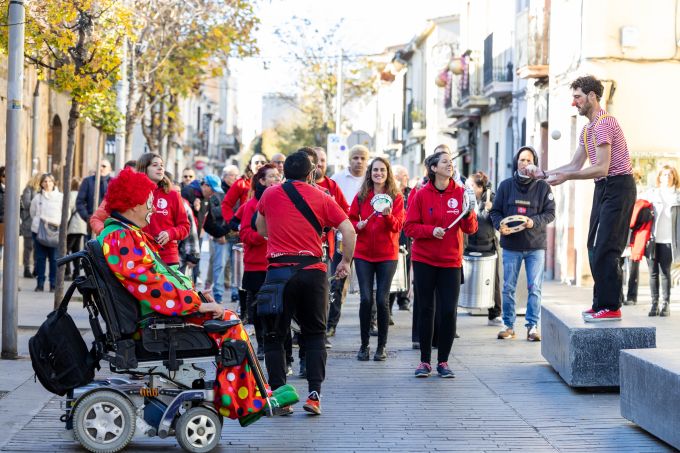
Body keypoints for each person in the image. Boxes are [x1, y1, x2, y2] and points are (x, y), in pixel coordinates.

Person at [97, 167, 270, 423]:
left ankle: (255, 395)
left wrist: (197, 297)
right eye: (148, 203)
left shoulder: (124, 233)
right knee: (230, 324)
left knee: (229, 318)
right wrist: (196, 305)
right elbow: (149, 284)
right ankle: (244, 402)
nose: (152, 209)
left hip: (160, 314)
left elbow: (156, 280)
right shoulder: (121, 237)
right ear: (131, 204)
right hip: (154, 322)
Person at [256, 150, 356, 415]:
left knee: (275, 336)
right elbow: (349, 230)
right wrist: (345, 262)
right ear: (311, 174)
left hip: (278, 272)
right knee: (315, 335)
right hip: (313, 272)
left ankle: (281, 397)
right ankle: (313, 396)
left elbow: (261, 229)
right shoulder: (322, 197)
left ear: (285, 172)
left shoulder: (269, 194)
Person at [536, 75, 635, 322]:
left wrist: (567, 177)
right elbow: (575, 163)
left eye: (578, 97)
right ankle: (600, 303)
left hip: (619, 186)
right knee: (592, 246)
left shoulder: (603, 123)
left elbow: (601, 167)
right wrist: (545, 173)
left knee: (607, 247)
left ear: (592, 96)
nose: (574, 103)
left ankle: (611, 306)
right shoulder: (587, 129)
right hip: (603, 188)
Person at [404, 151, 477, 378]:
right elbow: (409, 227)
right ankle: (425, 361)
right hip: (424, 260)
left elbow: (471, 229)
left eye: (451, 162)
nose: (450, 165)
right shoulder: (421, 194)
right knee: (426, 310)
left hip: (450, 262)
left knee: (448, 312)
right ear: (433, 168)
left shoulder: (461, 192)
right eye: (445, 162)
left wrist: (468, 213)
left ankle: (443, 362)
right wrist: (429, 231)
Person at [490, 146, 555, 341]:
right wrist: (500, 226)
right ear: (516, 162)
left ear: (534, 162)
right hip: (511, 246)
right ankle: (508, 326)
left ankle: (532, 327)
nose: (525, 164)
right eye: (521, 160)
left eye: (528, 160)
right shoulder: (505, 186)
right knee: (508, 286)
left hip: (536, 245)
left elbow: (550, 213)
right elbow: (495, 212)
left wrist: (533, 221)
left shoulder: (543, 187)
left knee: (534, 287)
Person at [349, 157, 405, 361]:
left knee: (382, 300)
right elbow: (351, 220)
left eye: (382, 170)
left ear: (388, 173)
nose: (378, 173)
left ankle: (381, 346)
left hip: (387, 255)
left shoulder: (395, 197)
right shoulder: (362, 196)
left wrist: (388, 216)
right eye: (375, 170)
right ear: (370, 173)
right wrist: (358, 226)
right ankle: (364, 345)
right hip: (363, 254)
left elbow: (399, 226)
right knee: (365, 298)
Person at [239, 164, 281, 358]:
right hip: (256, 263)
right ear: (262, 181)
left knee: (276, 306)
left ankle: (275, 340)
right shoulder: (251, 205)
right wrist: (263, 237)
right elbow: (245, 233)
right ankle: (262, 342)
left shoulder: (283, 201)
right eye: (272, 176)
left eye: (278, 176)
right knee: (257, 308)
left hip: (277, 261)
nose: (276, 179)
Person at [328, 145, 368, 337]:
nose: (358, 161)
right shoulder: (337, 179)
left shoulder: (371, 178)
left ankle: (372, 322)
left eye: (362, 158)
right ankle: (331, 323)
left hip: (367, 237)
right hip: (343, 236)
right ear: (349, 160)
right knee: (338, 281)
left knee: (369, 283)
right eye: (355, 158)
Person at [135, 153, 190, 265]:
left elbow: (185, 227)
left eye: (161, 165)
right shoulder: (133, 193)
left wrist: (170, 233)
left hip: (167, 257)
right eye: (155, 165)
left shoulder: (173, 195)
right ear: (144, 169)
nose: (160, 168)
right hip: (140, 255)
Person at [643, 165, 680, 316]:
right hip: (652, 239)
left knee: (665, 273)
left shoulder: (677, 196)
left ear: (674, 177)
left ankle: (665, 304)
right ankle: (654, 304)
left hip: (668, 241)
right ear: (659, 177)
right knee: (652, 273)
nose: (667, 177)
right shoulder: (652, 194)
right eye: (664, 174)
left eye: (670, 174)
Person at [466, 171, 502, 326]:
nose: (469, 188)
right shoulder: (467, 198)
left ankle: (494, 314)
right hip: (469, 244)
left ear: (480, 187)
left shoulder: (492, 198)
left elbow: (499, 222)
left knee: (493, 280)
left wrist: (492, 209)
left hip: (488, 245)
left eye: (472, 185)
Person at [30, 173, 63, 292]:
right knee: (40, 259)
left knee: (54, 259)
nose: (47, 183)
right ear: (41, 184)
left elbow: (66, 214)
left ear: (54, 183)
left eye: (50, 181)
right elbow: (32, 213)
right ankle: (40, 284)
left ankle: (53, 284)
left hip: (55, 232)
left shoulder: (60, 197)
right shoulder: (37, 198)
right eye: (45, 181)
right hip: (39, 232)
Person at [201, 174, 230, 304]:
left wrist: (220, 234)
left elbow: (219, 219)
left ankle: (217, 295)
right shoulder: (210, 197)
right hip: (218, 235)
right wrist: (219, 233)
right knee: (217, 263)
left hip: (220, 236)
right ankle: (217, 294)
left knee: (219, 264)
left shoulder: (214, 197)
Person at [389, 164, 412, 313]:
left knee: (406, 265)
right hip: (394, 233)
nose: (404, 179)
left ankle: (403, 299)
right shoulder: (391, 193)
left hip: (407, 233)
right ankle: (389, 305)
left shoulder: (411, 193)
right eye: (400, 176)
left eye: (405, 176)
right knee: (394, 269)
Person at [76, 158, 112, 225]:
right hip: (92, 222)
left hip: (110, 223)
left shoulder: (114, 182)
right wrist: (87, 217)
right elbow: (79, 202)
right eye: (99, 166)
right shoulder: (88, 181)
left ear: (110, 169)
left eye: (104, 166)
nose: (101, 168)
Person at [66, 177, 88, 280]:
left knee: (66, 249)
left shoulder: (71, 195)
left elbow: (68, 211)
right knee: (76, 250)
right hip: (82, 226)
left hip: (72, 227)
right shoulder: (83, 196)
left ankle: (67, 271)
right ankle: (76, 272)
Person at [21, 174, 41, 278]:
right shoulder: (28, 189)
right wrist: (38, 203)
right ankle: (27, 269)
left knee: (37, 248)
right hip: (28, 222)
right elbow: (26, 203)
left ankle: (35, 269)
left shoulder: (41, 191)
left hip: (38, 224)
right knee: (28, 247)